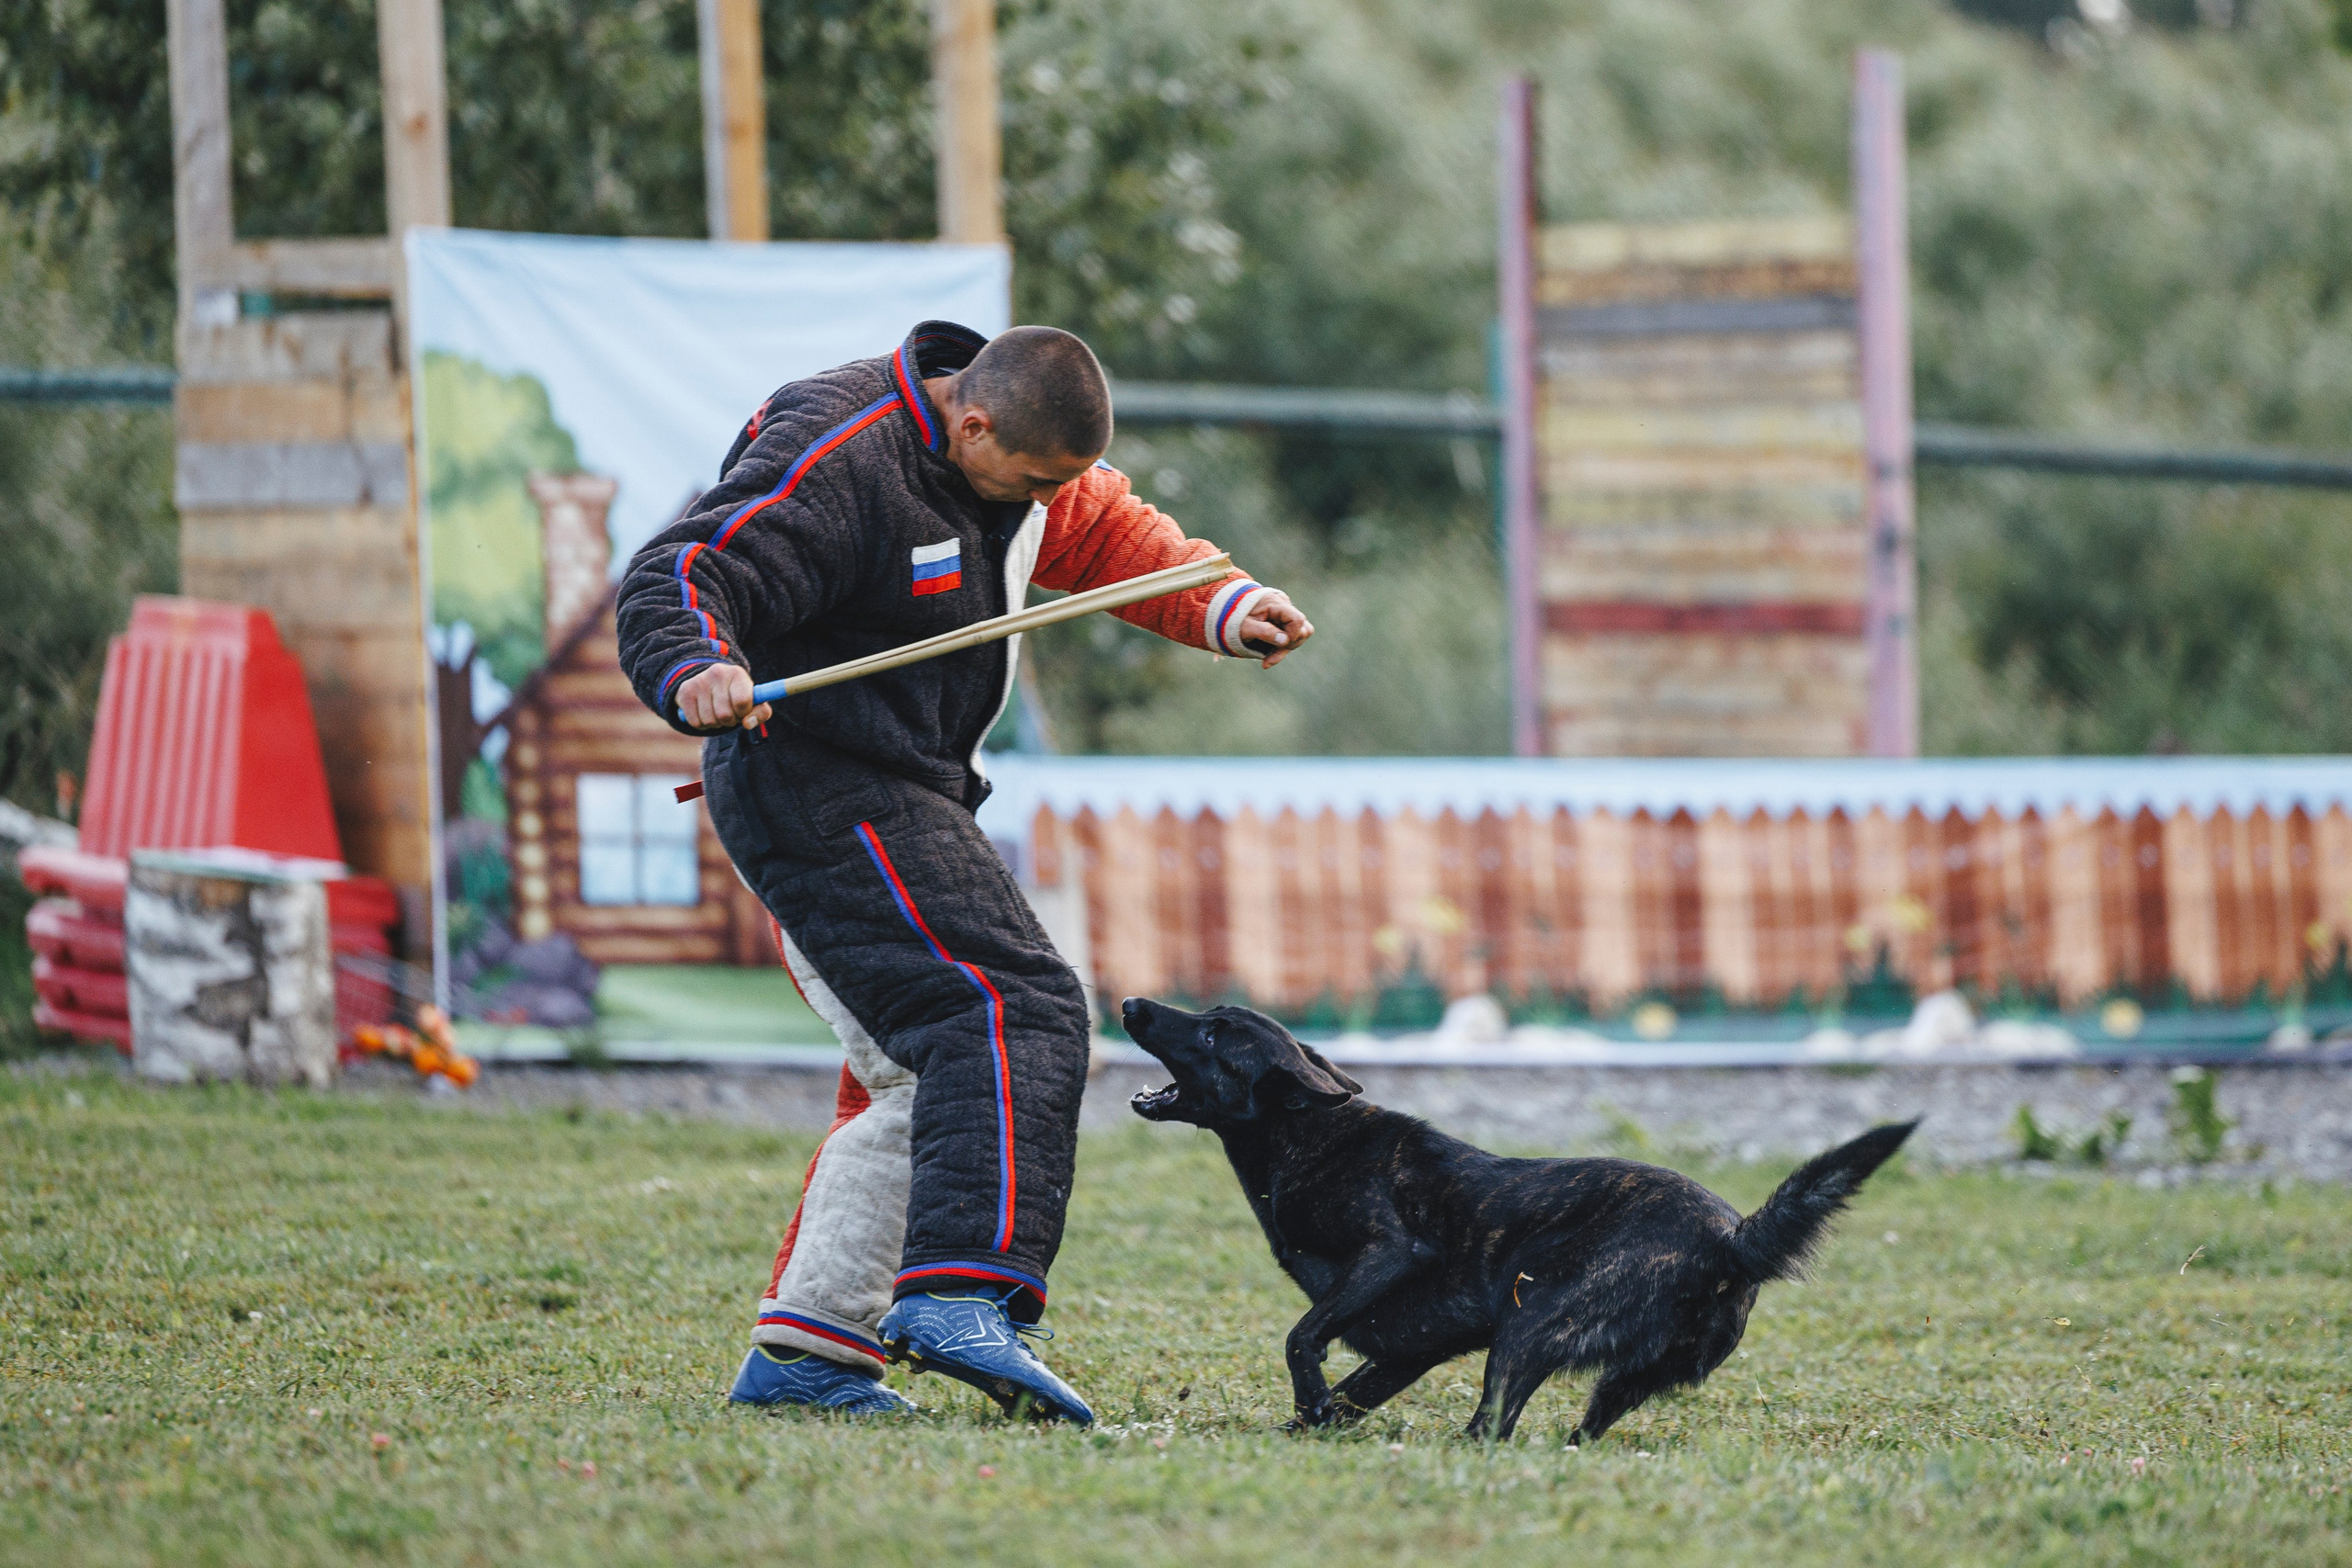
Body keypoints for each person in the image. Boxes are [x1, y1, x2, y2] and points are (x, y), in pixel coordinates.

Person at [616, 321, 1313, 1422]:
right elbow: (686, 571)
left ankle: (807, 1359)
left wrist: (1227, 607)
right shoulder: (841, 451)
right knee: (1013, 1007)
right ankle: (961, 1295)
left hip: (906, 786)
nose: (1048, 503)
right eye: (1035, 482)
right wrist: (697, 664)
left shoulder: (1023, 467)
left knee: (919, 1069)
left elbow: (1114, 536)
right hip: (812, 780)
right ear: (970, 421)